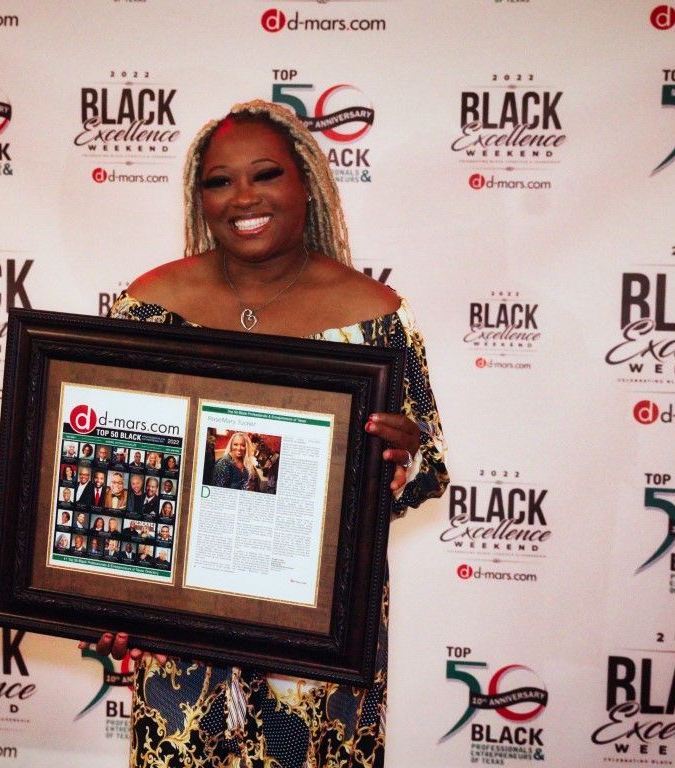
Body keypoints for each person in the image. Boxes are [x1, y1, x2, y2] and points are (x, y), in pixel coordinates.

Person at [100, 100, 449, 768]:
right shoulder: (148, 308)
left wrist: (405, 457)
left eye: (266, 174)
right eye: (220, 181)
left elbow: (425, 471)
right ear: (200, 199)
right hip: (183, 636)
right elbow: (119, 471)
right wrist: (112, 596)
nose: (244, 198)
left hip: (318, 640)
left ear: (306, 184)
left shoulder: (376, 319)